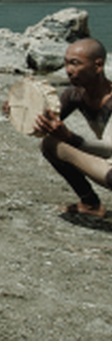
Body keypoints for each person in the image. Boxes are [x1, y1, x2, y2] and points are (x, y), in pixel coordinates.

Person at [26, 38, 112, 217]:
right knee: (50, 144)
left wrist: (70, 138)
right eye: (65, 63)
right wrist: (20, 109)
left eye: (75, 63)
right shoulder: (75, 95)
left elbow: (109, 148)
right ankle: (90, 204)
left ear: (98, 66)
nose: (68, 70)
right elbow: (43, 124)